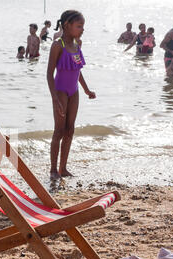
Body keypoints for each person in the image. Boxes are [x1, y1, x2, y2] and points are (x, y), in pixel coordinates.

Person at [47, 10, 96, 180]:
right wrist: (55, 99)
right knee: (59, 131)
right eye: (79, 26)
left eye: (83, 26)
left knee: (70, 130)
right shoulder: (57, 45)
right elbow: (49, 74)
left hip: (74, 92)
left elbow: (76, 70)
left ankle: (63, 168)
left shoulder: (77, 44)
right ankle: (53, 169)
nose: (82, 29)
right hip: (60, 92)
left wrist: (86, 90)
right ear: (67, 25)